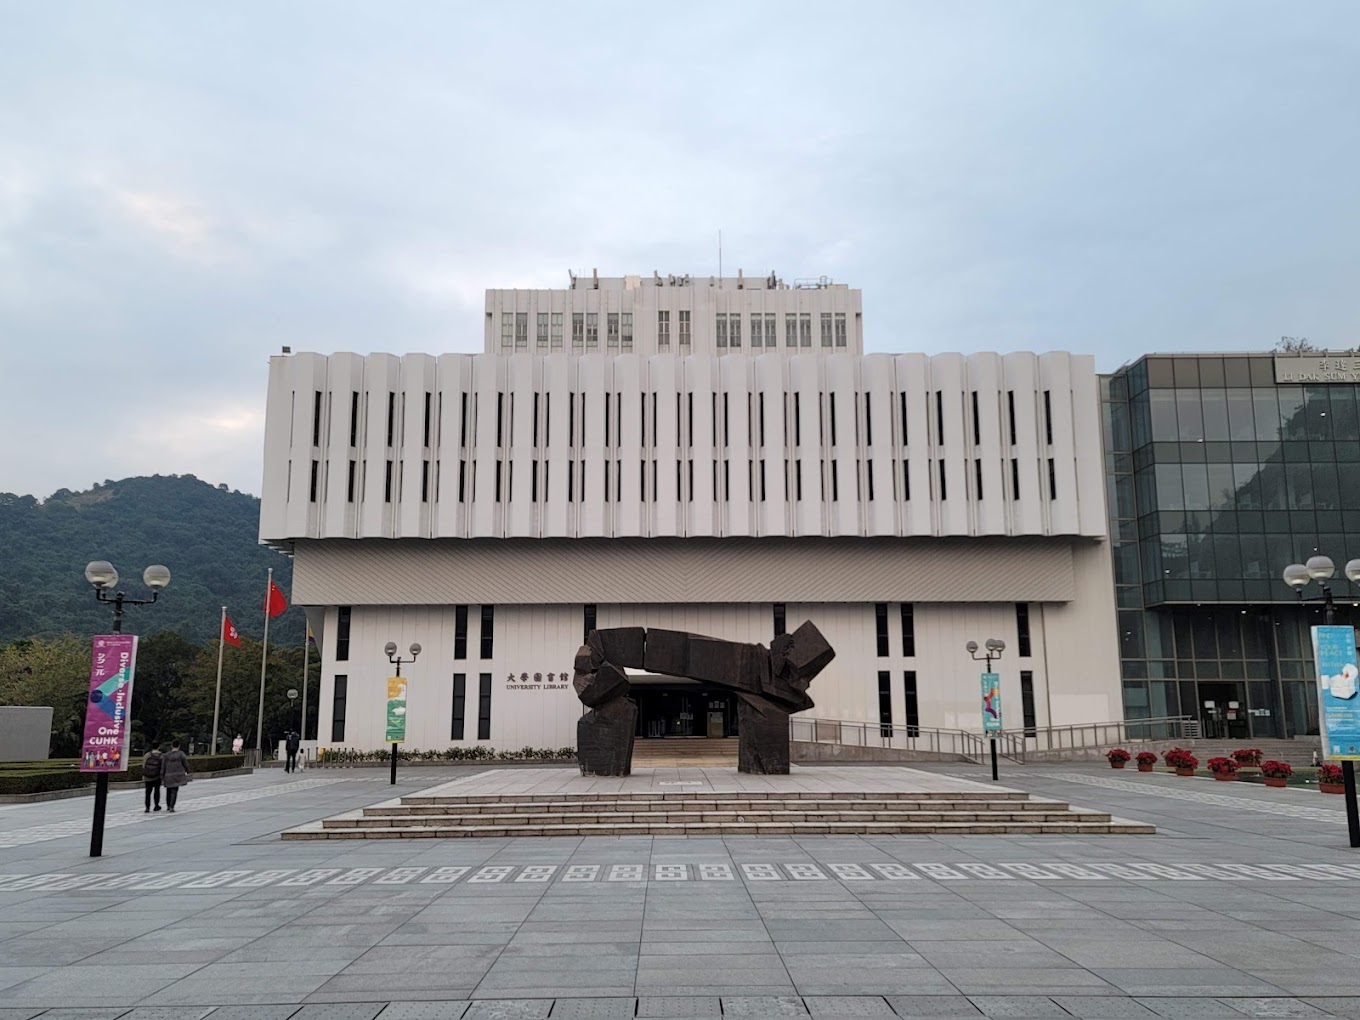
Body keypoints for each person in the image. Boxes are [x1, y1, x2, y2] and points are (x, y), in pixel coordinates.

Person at [161, 739, 192, 812]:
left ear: (171, 746)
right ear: (179, 746)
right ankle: (172, 806)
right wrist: (188, 771)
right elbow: (185, 764)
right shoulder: (181, 754)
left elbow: (163, 766)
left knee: (168, 790)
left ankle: (168, 805)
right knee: (174, 791)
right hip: (177, 775)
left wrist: (161, 775)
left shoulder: (166, 755)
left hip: (168, 775)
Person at [142, 745, 164, 813]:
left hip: (148, 777)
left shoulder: (147, 755)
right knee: (157, 791)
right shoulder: (161, 755)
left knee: (148, 792)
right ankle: (156, 805)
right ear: (159, 747)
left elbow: (143, 765)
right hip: (157, 776)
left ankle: (147, 807)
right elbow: (163, 766)